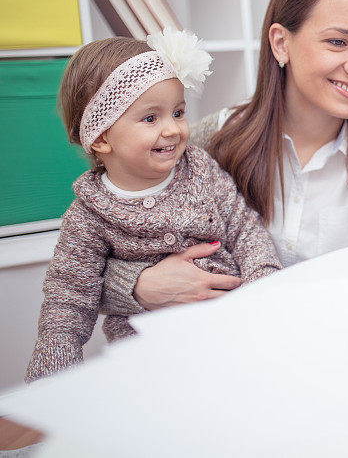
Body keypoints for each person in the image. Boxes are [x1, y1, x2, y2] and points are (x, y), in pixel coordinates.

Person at [100, 0, 348, 315]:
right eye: (338, 42)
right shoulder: (211, 142)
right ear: (281, 43)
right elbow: (82, 263)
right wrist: (139, 286)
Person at [25, 30, 282, 382]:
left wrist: (264, 284)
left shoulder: (200, 169)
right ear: (100, 137)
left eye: (178, 112)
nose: (173, 129)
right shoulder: (87, 216)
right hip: (150, 359)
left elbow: (244, 227)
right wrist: (51, 386)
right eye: (151, 118)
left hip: (228, 333)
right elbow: (67, 301)